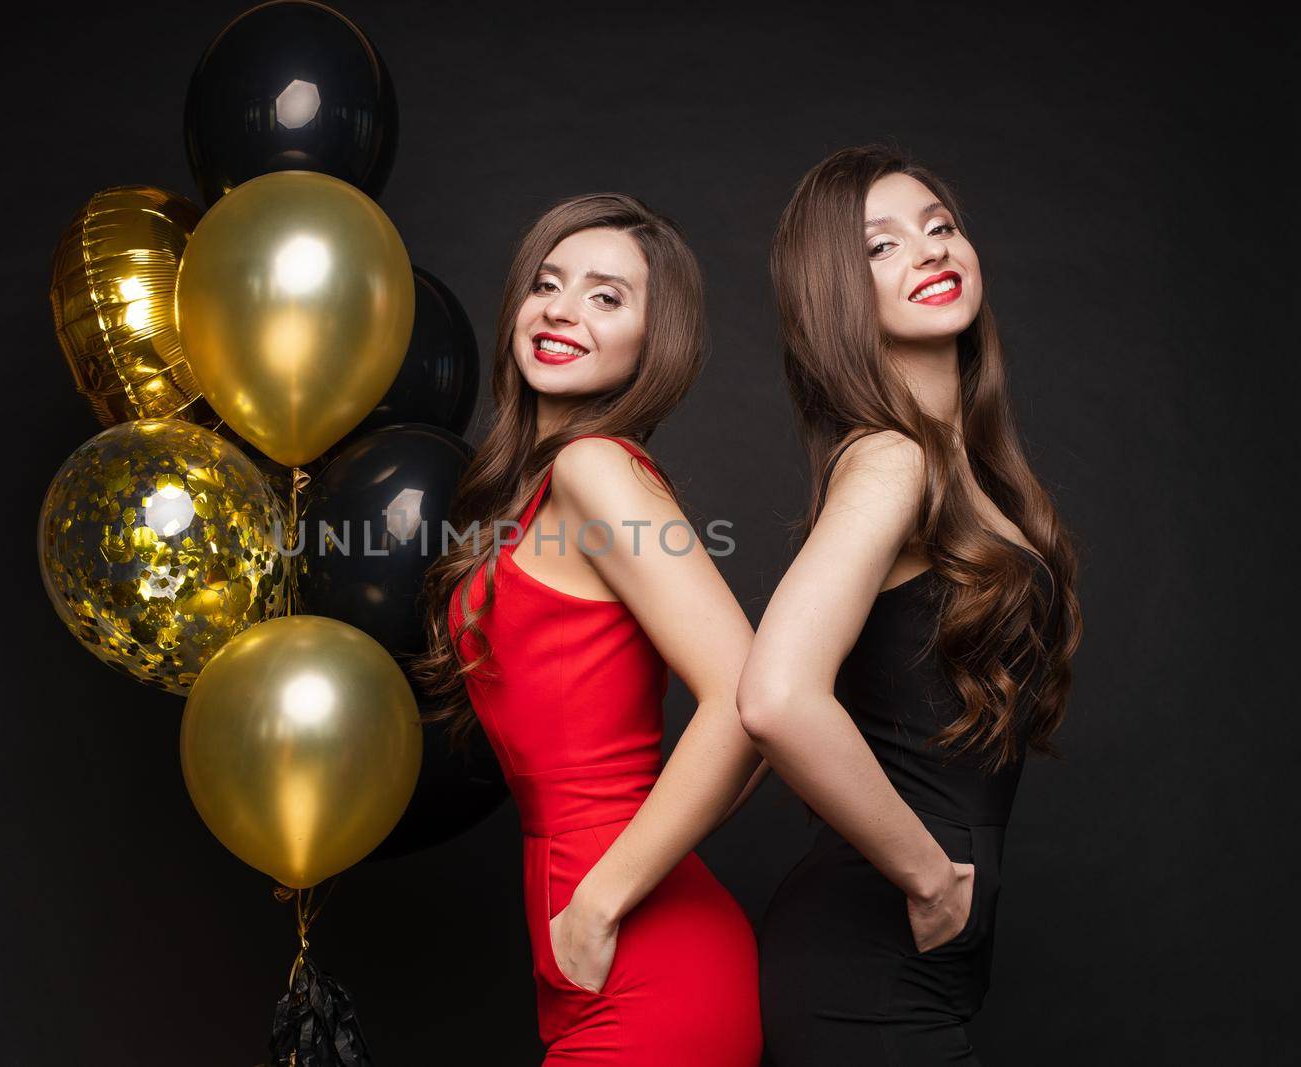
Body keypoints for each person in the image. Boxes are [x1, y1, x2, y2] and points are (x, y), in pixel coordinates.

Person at [738, 145, 1084, 1064]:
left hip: (915, 977)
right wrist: (928, 877)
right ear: (834, 299)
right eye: (880, 247)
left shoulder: (965, 467)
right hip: (866, 969)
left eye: (939, 227)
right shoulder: (892, 460)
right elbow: (774, 697)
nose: (930, 251)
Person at [416, 193, 766, 1065]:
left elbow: (753, 703)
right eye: (547, 284)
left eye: (607, 296)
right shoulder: (532, 493)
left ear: (656, 341)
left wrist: (603, 899)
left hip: (643, 953)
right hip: (582, 951)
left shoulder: (594, 469)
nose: (562, 310)